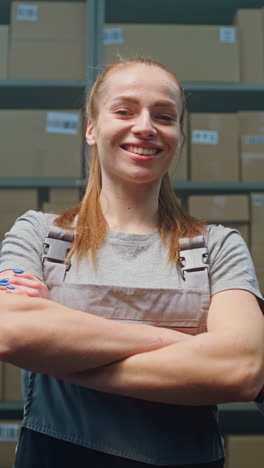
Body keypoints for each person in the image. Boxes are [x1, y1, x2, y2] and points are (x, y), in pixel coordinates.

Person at [0, 57, 264, 468]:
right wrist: (183, 344)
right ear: (91, 128)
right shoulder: (38, 233)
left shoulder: (219, 246)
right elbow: (10, 331)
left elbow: (241, 369)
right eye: (124, 111)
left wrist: (59, 357)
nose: (145, 127)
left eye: (164, 116)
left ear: (179, 134)